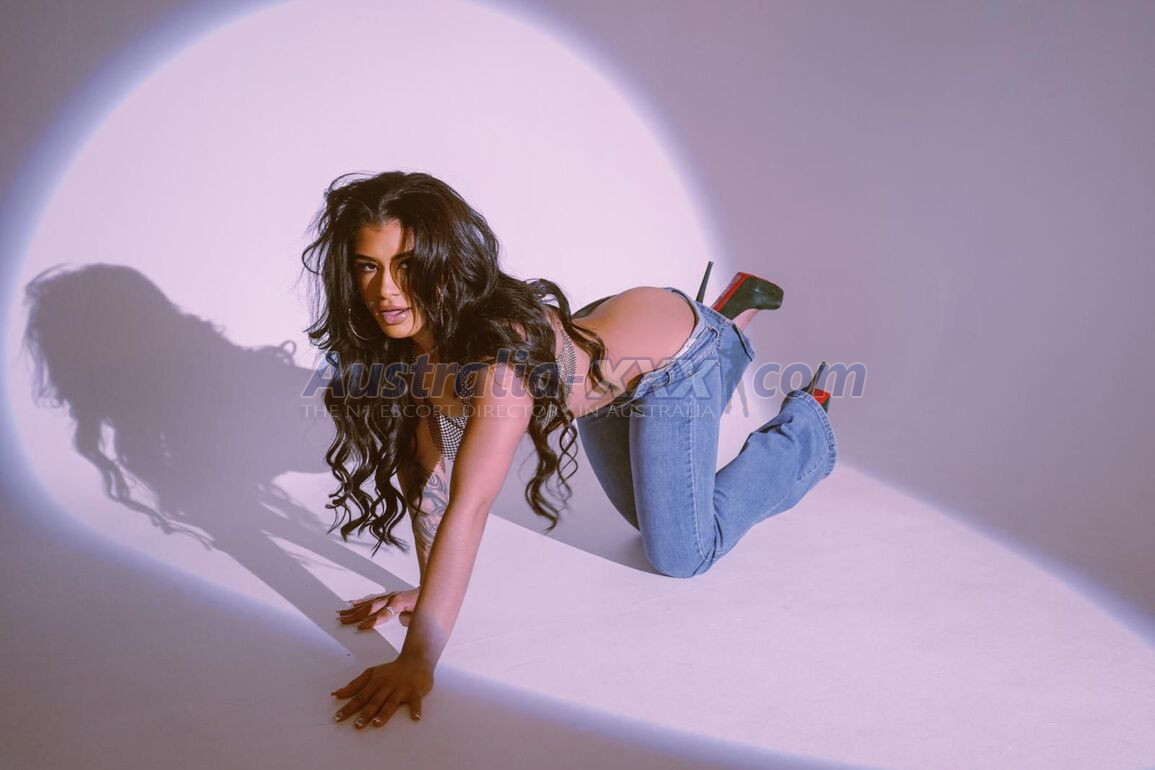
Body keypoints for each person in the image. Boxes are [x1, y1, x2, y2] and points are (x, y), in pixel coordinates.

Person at [299, 171, 837, 729]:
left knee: (681, 554)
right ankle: (723, 313)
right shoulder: (408, 349)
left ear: (442, 263)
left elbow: (470, 506)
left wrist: (418, 659)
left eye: (407, 265)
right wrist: (428, 590)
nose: (385, 291)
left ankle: (801, 420)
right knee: (648, 519)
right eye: (369, 266)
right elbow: (426, 480)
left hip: (675, 363)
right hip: (608, 365)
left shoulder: (501, 367)